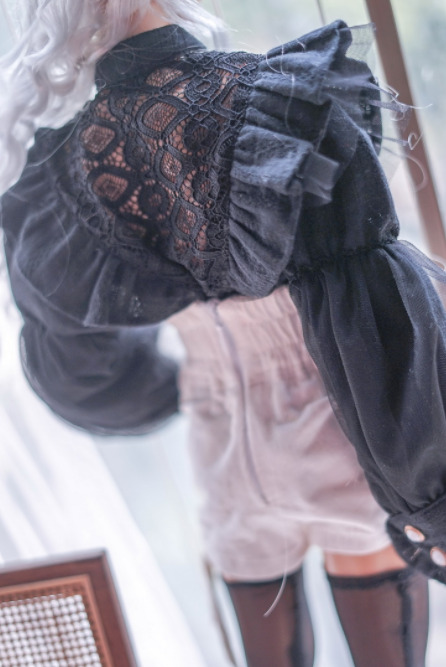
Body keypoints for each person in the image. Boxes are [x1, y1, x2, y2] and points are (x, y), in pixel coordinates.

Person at [1, 1, 446, 665]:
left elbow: (78, 364)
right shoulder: (276, 102)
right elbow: (375, 316)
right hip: (344, 436)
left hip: (224, 460)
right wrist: (431, 496)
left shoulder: (65, 166)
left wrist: (174, 389)